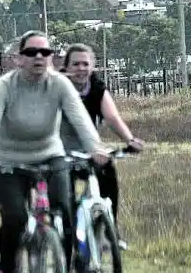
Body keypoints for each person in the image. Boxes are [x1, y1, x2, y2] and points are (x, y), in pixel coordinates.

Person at [0, 30, 109, 273]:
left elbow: (80, 117)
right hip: (7, 161)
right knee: (15, 218)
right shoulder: (4, 86)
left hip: (50, 155)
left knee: (64, 208)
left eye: (45, 52)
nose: (39, 57)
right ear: (18, 59)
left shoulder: (59, 84)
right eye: (31, 52)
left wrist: (95, 147)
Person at [60, 43, 144, 241]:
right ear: (66, 67)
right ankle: (68, 238)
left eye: (85, 64)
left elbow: (112, 118)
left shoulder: (97, 88)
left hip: (90, 151)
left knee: (108, 170)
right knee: (65, 198)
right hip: (60, 152)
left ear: (93, 66)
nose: (81, 69)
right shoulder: (57, 87)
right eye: (75, 64)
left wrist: (130, 140)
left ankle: (110, 229)